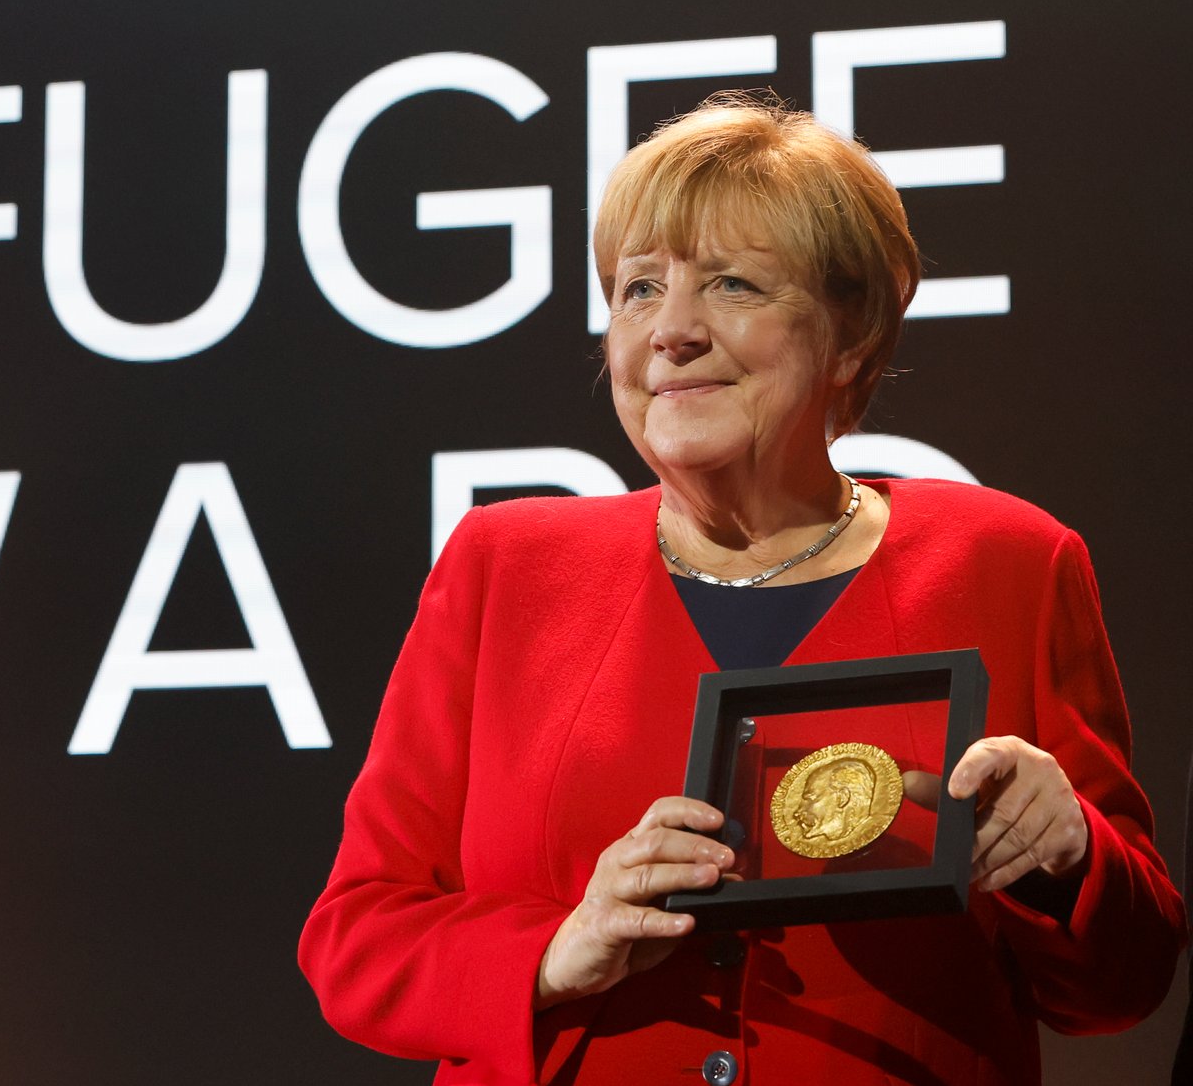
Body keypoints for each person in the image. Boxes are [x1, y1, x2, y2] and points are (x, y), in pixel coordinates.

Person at [298, 92, 1186, 1085]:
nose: (670, 331)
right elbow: (357, 935)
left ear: (846, 331)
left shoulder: (1008, 561)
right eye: (636, 289)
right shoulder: (501, 567)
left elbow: (1123, 983)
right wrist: (557, 948)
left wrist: (1069, 853)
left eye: (728, 283)